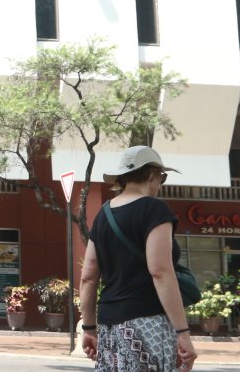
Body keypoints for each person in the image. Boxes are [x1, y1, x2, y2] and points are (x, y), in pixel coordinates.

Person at [79, 145, 198, 372]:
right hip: (147, 320)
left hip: (109, 325)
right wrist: (183, 332)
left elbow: (88, 277)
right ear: (151, 174)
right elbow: (160, 271)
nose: (160, 183)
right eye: (161, 177)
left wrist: (89, 328)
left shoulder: (103, 215)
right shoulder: (154, 209)